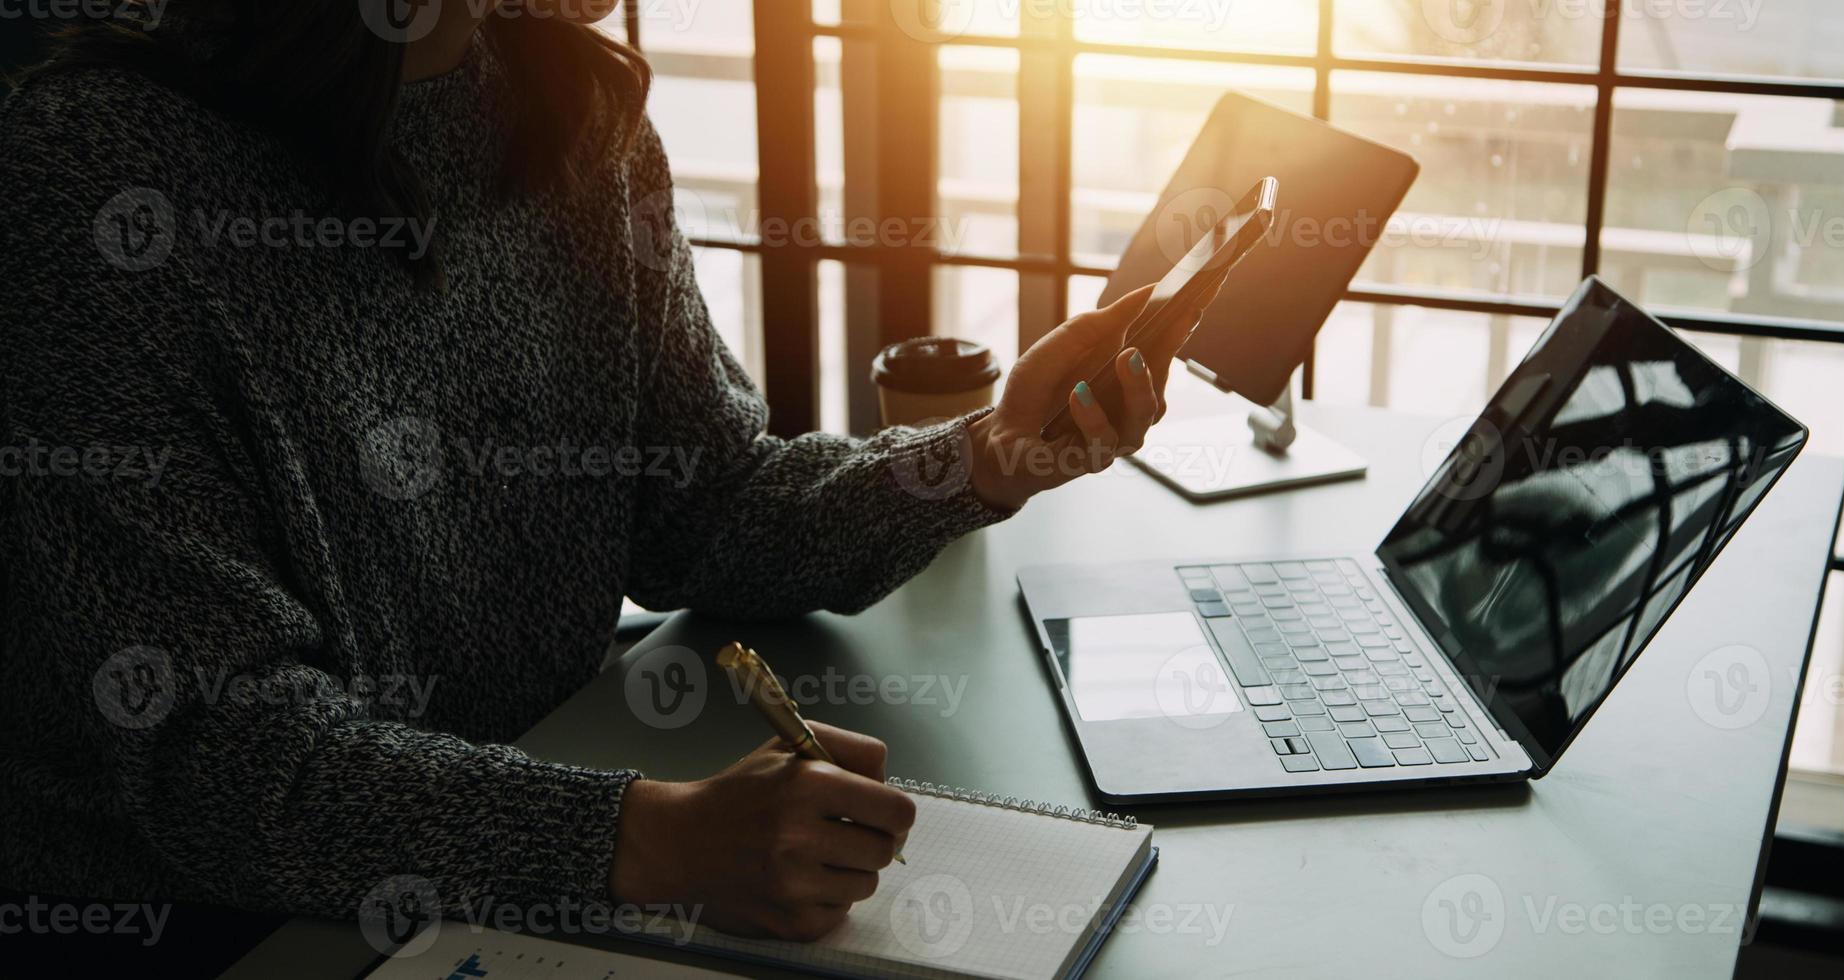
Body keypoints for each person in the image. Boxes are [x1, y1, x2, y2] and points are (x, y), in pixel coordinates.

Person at [0, 0, 1200, 951]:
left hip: (529, 858)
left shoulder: (573, 107)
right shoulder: (95, 178)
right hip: (228, 921)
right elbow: (217, 759)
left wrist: (986, 455)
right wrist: (648, 838)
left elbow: (710, 510)